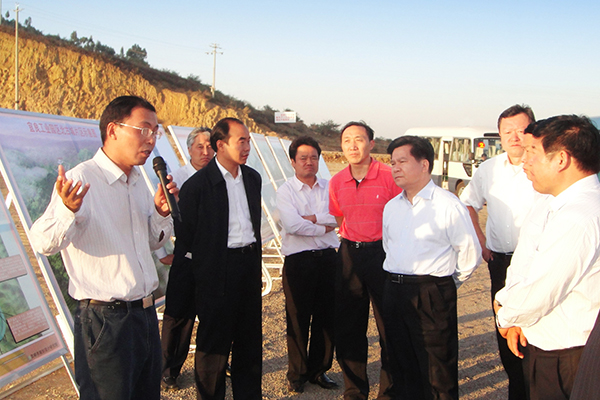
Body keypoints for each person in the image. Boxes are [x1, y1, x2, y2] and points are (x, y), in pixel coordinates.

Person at [29, 95, 177, 400]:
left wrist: (161, 213)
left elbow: (149, 243)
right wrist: (67, 210)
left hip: (145, 315)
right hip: (105, 323)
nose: (151, 140)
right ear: (113, 130)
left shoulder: (137, 180)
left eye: (155, 132)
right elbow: (42, 243)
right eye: (144, 130)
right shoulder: (81, 179)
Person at [494, 115, 600, 400]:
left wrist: (506, 315)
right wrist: (512, 308)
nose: (524, 160)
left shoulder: (580, 216)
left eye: (532, 152)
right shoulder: (551, 201)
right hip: (541, 341)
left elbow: (544, 288)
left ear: (561, 159)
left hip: (570, 354)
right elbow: (524, 261)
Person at [382, 135, 481, 400]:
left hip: (431, 291)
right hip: (394, 290)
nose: (395, 168)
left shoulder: (448, 205)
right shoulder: (391, 207)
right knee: (400, 362)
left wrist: (443, 285)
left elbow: (470, 254)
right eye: (393, 163)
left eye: (402, 161)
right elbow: (389, 247)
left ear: (424, 164)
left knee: (437, 369)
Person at [175, 117, 262, 400]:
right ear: (221, 145)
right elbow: (186, 236)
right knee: (214, 345)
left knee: (249, 340)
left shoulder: (252, 178)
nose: (247, 147)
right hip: (216, 270)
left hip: (248, 265)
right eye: (241, 141)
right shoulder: (197, 186)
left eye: (248, 141)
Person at [459, 104, 537, 400]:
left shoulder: (542, 165)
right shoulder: (489, 169)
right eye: (507, 132)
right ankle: (516, 390)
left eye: (521, 130)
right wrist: (480, 240)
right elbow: (468, 203)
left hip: (537, 264)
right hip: (501, 263)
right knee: (505, 329)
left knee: (536, 331)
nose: (515, 137)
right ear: (500, 136)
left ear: (533, 130)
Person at [329, 121, 402, 400]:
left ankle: (389, 392)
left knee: (389, 327)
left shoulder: (389, 176)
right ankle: (354, 391)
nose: (352, 145)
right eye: (347, 140)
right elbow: (340, 217)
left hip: (383, 255)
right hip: (349, 255)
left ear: (371, 143)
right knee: (349, 328)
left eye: (358, 139)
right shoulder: (337, 181)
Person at [276, 136, 339, 394]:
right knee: (297, 318)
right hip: (299, 262)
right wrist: (323, 225)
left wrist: (311, 218)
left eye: (313, 157)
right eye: (303, 158)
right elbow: (292, 225)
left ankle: (319, 370)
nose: (309, 162)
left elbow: (338, 216)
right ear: (293, 161)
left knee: (326, 318)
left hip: (329, 259)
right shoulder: (285, 191)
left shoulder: (330, 187)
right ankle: (297, 374)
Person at [160, 127, 214, 390]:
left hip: (214, 259)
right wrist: (165, 252)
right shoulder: (177, 179)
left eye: (210, 146)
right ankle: (168, 369)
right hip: (186, 257)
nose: (205, 152)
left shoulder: (221, 177)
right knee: (178, 317)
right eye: (199, 147)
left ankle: (214, 364)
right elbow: (162, 218)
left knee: (214, 316)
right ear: (189, 149)